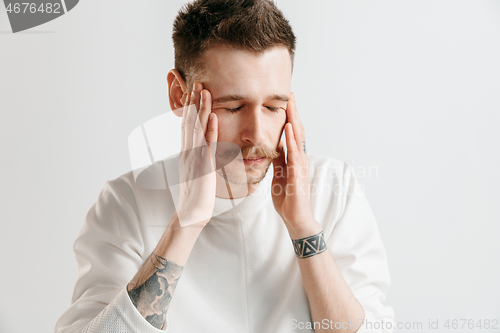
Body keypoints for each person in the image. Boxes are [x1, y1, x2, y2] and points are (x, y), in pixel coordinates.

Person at [55, 0, 395, 332]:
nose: (256, 135)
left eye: (274, 107)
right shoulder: (126, 203)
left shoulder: (335, 187)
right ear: (179, 95)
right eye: (233, 107)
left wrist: (303, 226)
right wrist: (186, 223)